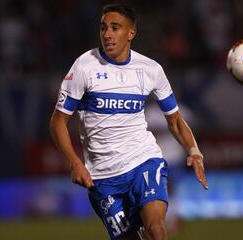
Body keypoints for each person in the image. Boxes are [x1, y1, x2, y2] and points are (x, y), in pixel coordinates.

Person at [49, 4, 208, 240]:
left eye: (115, 28)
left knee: (155, 228)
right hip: (102, 177)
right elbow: (57, 123)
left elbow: (174, 120)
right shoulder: (84, 66)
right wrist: (75, 162)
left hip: (143, 161)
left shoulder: (151, 70)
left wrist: (194, 151)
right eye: (103, 28)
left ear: (131, 33)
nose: (107, 34)